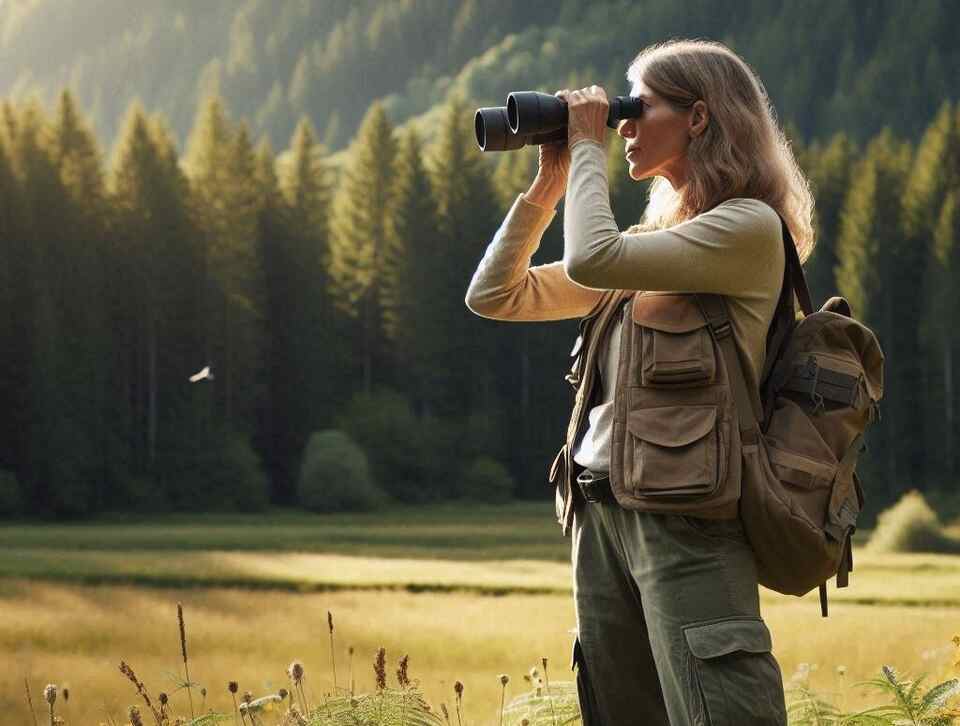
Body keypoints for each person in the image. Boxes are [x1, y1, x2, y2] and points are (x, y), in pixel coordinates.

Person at [465, 38, 812, 725]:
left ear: (700, 119)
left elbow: (594, 257)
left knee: (720, 709)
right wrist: (548, 186)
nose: (621, 125)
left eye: (637, 106)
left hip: (685, 519)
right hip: (598, 516)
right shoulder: (653, 247)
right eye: (618, 112)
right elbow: (495, 294)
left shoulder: (746, 229)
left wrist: (588, 146)